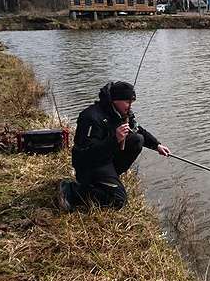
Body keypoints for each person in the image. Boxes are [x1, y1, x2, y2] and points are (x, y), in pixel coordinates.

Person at [59, 81, 171, 211]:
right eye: (128, 102)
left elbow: (138, 129)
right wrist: (115, 139)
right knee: (118, 201)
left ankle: (110, 178)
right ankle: (72, 190)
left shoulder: (122, 114)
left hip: (105, 159)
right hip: (88, 165)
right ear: (115, 100)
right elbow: (87, 154)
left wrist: (157, 145)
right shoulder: (90, 117)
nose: (130, 107)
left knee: (137, 140)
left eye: (132, 103)